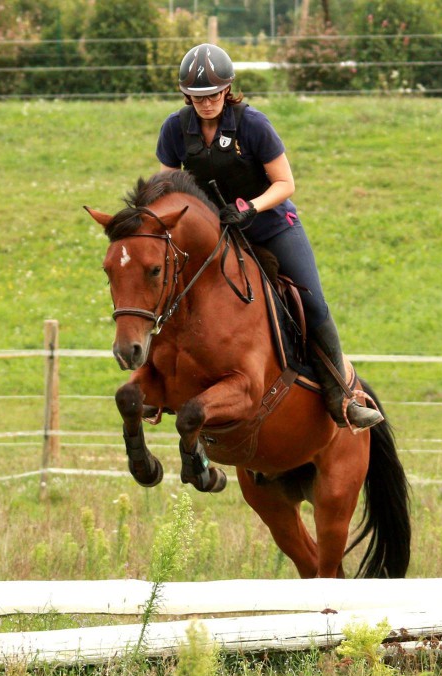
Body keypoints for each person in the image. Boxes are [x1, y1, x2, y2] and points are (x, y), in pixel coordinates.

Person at [155, 43, 383, 432]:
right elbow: (165, 188)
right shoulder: (175, 129)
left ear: (226, 91)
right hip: (214, 237)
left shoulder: (253, 124)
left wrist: (250, 208)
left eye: (212, 94)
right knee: (163, 293)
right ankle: (157, 391)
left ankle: (340, 397)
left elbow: (285, 183)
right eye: (197, 96)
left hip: (270, 227)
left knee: (311, 301)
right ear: (185, 96)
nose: (206, 103)